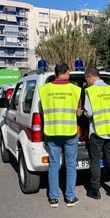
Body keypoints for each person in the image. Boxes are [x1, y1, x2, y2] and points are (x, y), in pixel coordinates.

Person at [38, 63, 82, 208]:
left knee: (53, 166)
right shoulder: (75, 90)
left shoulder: (44, 90)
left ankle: (53, 198)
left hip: (52, 133)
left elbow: (42, 111)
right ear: (67, 72)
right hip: (70, 133)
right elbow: (78, 112)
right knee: (70, 166)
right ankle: (69, 198)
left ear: (56, 73)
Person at [84, 66, 110, 200]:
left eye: (86, 79)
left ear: (89, 76)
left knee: (95, 160)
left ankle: (95, 190)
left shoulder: (90, 91)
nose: (86, 82)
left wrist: (82, 112)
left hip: (97, 131)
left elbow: (89, 113)